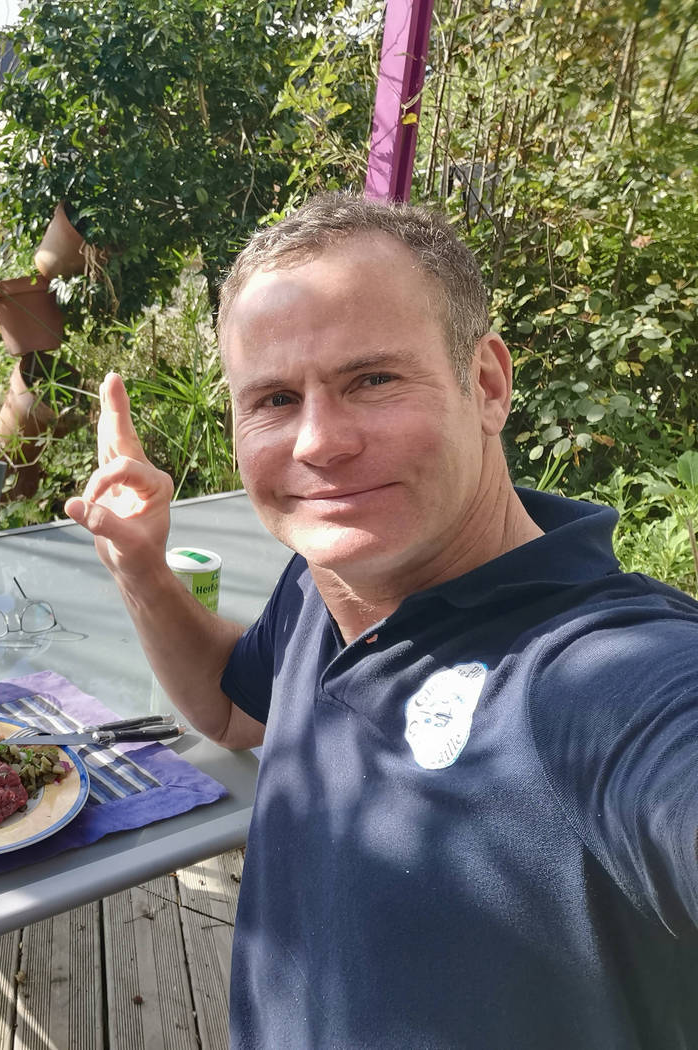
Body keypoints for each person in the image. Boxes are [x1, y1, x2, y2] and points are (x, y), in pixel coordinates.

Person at [66, 192, 698, 1048]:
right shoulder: (320, 584)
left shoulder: (601, 682)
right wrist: (141, 569)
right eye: (276, 399)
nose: (319, 442)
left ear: (486, 384)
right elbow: (227, 708)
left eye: (372, 379)